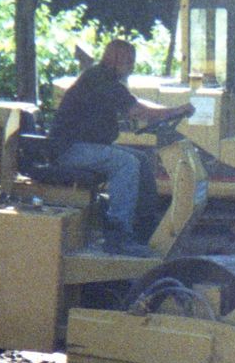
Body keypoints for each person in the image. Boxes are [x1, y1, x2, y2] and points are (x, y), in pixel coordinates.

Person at [48, 39, 192, 255]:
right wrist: (173, 111)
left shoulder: (107, 80)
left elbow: (136, 104)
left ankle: (144, 226)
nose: (132, 66)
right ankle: (118, 235)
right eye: (129, 61)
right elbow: (137, 111)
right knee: (126, 163)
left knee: (141, 159)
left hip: (84, 146)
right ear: (114, 59)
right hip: (69, 149)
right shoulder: (100, 79)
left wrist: (170, 111)